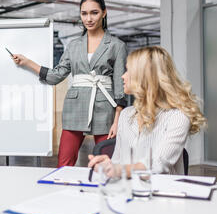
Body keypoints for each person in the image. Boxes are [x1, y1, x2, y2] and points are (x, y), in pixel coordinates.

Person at [12, 0, 127, 167]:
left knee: (107, 165)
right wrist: (28, 62)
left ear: (104, 13)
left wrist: (118, 120)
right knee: (64, 165)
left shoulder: (116, 45)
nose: (88, 18)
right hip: (75, 107)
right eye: (84, 13)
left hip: (106, 108)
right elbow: (55, 76)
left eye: (94, 13)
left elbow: (120, 86)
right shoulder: (74, 45)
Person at [88, 46, 207, 176]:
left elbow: (158, 164)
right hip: (128, 190)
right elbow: (119, 162)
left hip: (162, 192)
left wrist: (118, 170)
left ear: (145, 77)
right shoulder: (126, 114)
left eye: (128, 70)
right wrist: (110, 164)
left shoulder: (178, 117)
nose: (123, 76)